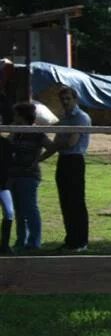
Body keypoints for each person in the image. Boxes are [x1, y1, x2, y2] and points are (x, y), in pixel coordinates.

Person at [41, 84, 91, 252]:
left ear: (75, 99)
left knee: (76, 202)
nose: (65, 101)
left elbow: (71, 143)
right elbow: (57, 144)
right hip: (63, 161)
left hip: (75, 161)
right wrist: (38, 159)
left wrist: (60, 142)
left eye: (68, 98)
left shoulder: (81, 118)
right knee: (65, 202)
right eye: (62, 99)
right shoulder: (64, 118)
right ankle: (70, 240)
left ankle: (81, 241)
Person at [8, 102, 52, 252]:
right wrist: (13, 132)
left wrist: (37, 160)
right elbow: (6, 146)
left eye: (16, 115)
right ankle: (21, 240)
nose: (14, 117)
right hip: (13, 175)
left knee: (30, 209)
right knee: (19, 210)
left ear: (22, 116)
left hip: (29, 175)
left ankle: (34, 242)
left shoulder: (37, 133)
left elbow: (51, 147)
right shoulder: (16, 132)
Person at [0, 105, 13, 254]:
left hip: (3, 185)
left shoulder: (5, 144)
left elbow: (10, 165)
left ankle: (4, 245)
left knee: (9, 213)